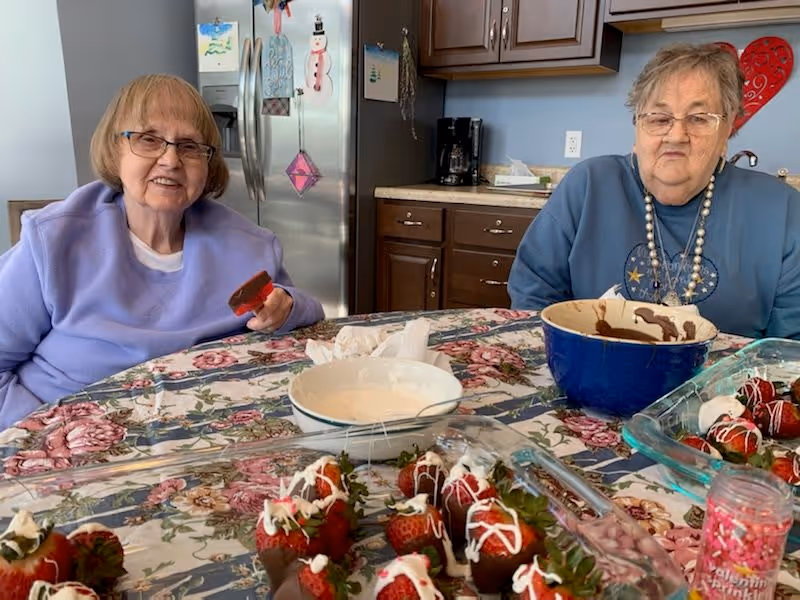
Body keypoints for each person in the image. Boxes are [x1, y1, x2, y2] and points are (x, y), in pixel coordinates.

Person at [0, 74, 325, 429]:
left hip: (206, 438)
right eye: (149, 139)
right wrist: (42, 435)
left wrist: (286, 306)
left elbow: (305, 318)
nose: (171, 160)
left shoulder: (248, 243)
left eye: (189, 146)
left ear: (208, 164)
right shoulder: (54, 241)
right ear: (115, 150)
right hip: (71, 442)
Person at [508, 42, 800, 340]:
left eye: (699, 119)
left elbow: (789, 353)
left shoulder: (784, 212)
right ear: (637, 128)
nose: (676, 136)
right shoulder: (587, 186)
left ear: (728, 132)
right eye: (659, 119)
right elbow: (534, 299)